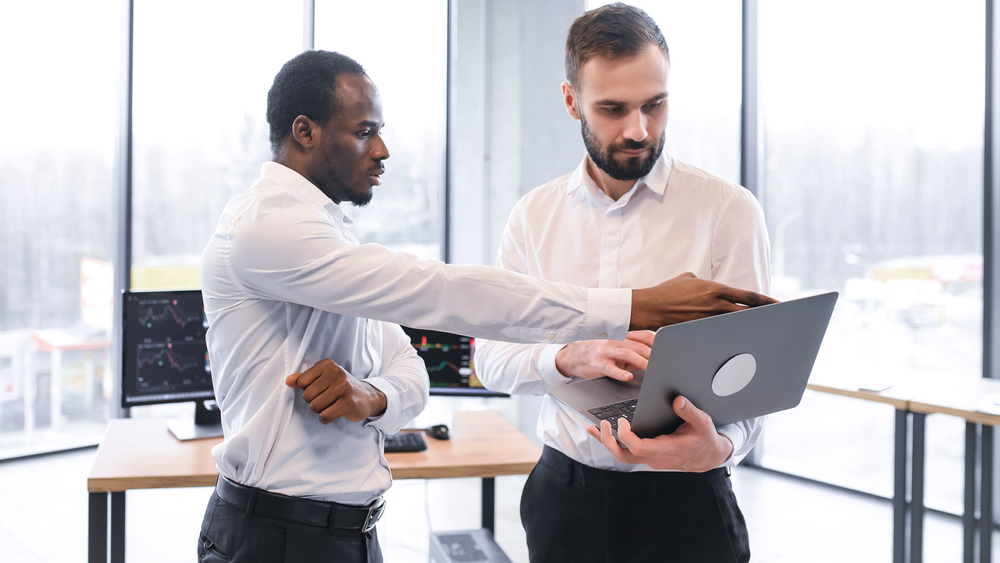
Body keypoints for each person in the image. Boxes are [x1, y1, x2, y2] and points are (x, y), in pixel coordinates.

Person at [197, 49, 773, 563]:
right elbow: (446, 296)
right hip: (273, 535)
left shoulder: (331, 239)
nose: (384, 149)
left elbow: (410, 377)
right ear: (305, 132)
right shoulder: (267, 229)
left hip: (350, 534)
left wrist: (371, 396)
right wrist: (633, 308)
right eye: (365, 130)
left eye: (655, 104)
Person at [474, 4, 771, 563]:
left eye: (654, 105)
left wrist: (723, 446)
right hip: (566, 499)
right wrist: (567, 358)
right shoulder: (533, 217)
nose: (639, 130)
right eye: (612, 109)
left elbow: (753, 376)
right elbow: (490, 359)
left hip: (690, 503)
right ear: (571, 102)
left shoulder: (727, 211)